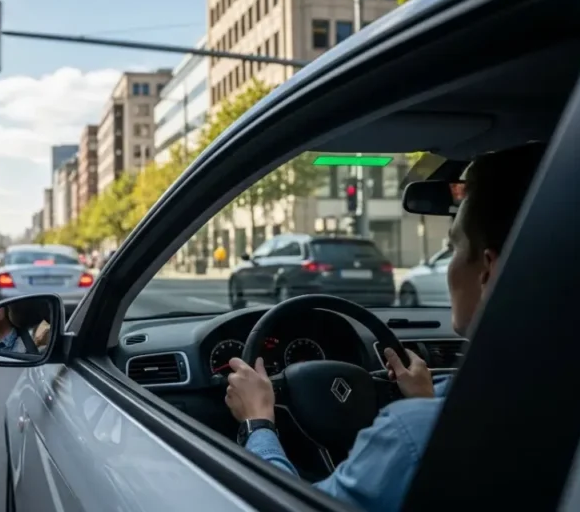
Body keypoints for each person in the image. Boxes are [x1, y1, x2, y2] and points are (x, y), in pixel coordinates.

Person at [225, 143, 546, 512]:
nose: (449, 266)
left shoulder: (409, 434)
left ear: (488, 270)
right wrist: (425, 401)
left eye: (454, 247)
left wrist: (258, 422)